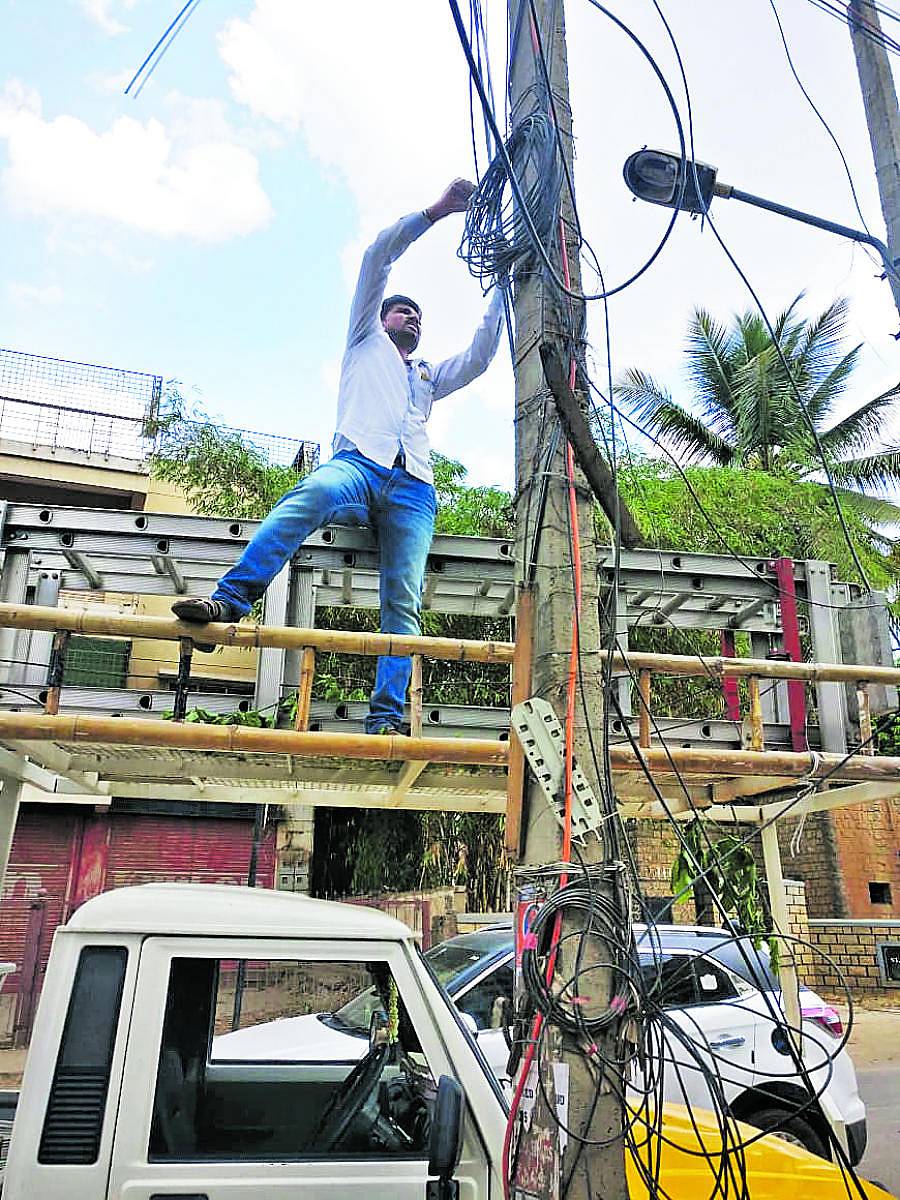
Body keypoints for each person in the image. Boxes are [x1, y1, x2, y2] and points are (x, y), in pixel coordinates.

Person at [173, 178, 505, 735]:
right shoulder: (363, 339)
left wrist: (502, 283)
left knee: (403, 600)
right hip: (357, 464)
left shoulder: (425, 376)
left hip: (414, 488)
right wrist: (438, 211)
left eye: (418, 316)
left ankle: (385, 720)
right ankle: (229, 602)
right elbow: (377, 257)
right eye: (403, 311)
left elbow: (479, 356)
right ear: (382, 317)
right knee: (312, 495)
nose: (412, 318)